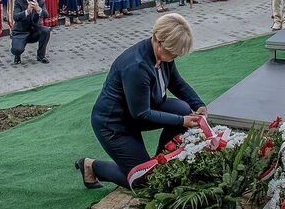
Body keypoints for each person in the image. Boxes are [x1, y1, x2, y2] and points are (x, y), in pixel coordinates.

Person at [77, 13, 205, 189]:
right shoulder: (136, 65)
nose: (175, 57)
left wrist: (198, 104)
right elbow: (142, 114)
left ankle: (160, 162)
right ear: (158, 42)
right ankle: (91, 166)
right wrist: (182, 121)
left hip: (139, 111)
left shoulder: (163, 55)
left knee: (184, 108)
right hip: (114, 124)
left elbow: (176, 82)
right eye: (173, 52)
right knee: (144, 181)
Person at [10, 0, 51, 65]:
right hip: (21, 31)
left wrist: (38, 9)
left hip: (34, 31)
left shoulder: (41, 2)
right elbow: (15, 17)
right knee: (17, 50)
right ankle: (17, 55)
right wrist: (27, 11)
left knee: (46, 30)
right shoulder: (18, 2)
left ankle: (41, 56)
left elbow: (46, 15)